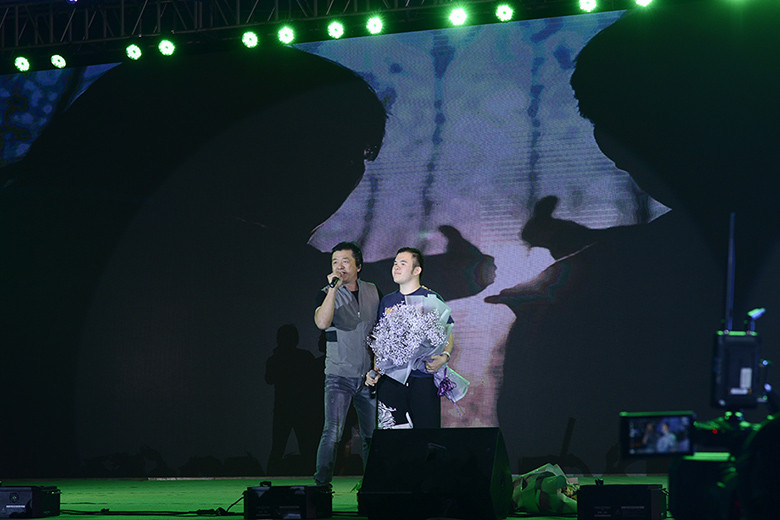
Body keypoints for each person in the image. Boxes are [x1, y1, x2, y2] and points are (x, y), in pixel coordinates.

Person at [313, 242, 381, 487]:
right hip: (338, 374)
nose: (339, 266)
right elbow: (322, 323)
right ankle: (322, 486)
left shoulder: (373, 291)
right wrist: (333, 289)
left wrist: (376, 368)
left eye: (345, 261)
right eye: (334, 262)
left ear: (358, 266)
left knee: (371, 436)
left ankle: (372, 486)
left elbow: (380, 333)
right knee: (332, 432)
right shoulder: (326, 292)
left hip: (368, 377)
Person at [366, 247, 454, 429]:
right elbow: (381, 341)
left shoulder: (430, 298)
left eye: (403, 263)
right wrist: (376, 370)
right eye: (395, 263)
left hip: (422, 378)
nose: (396, 267)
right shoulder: (387, 301)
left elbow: (448, 333)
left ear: (416, 270)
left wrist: (444, 357)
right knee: (392, 432)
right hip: (391, 380)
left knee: (425, 434)